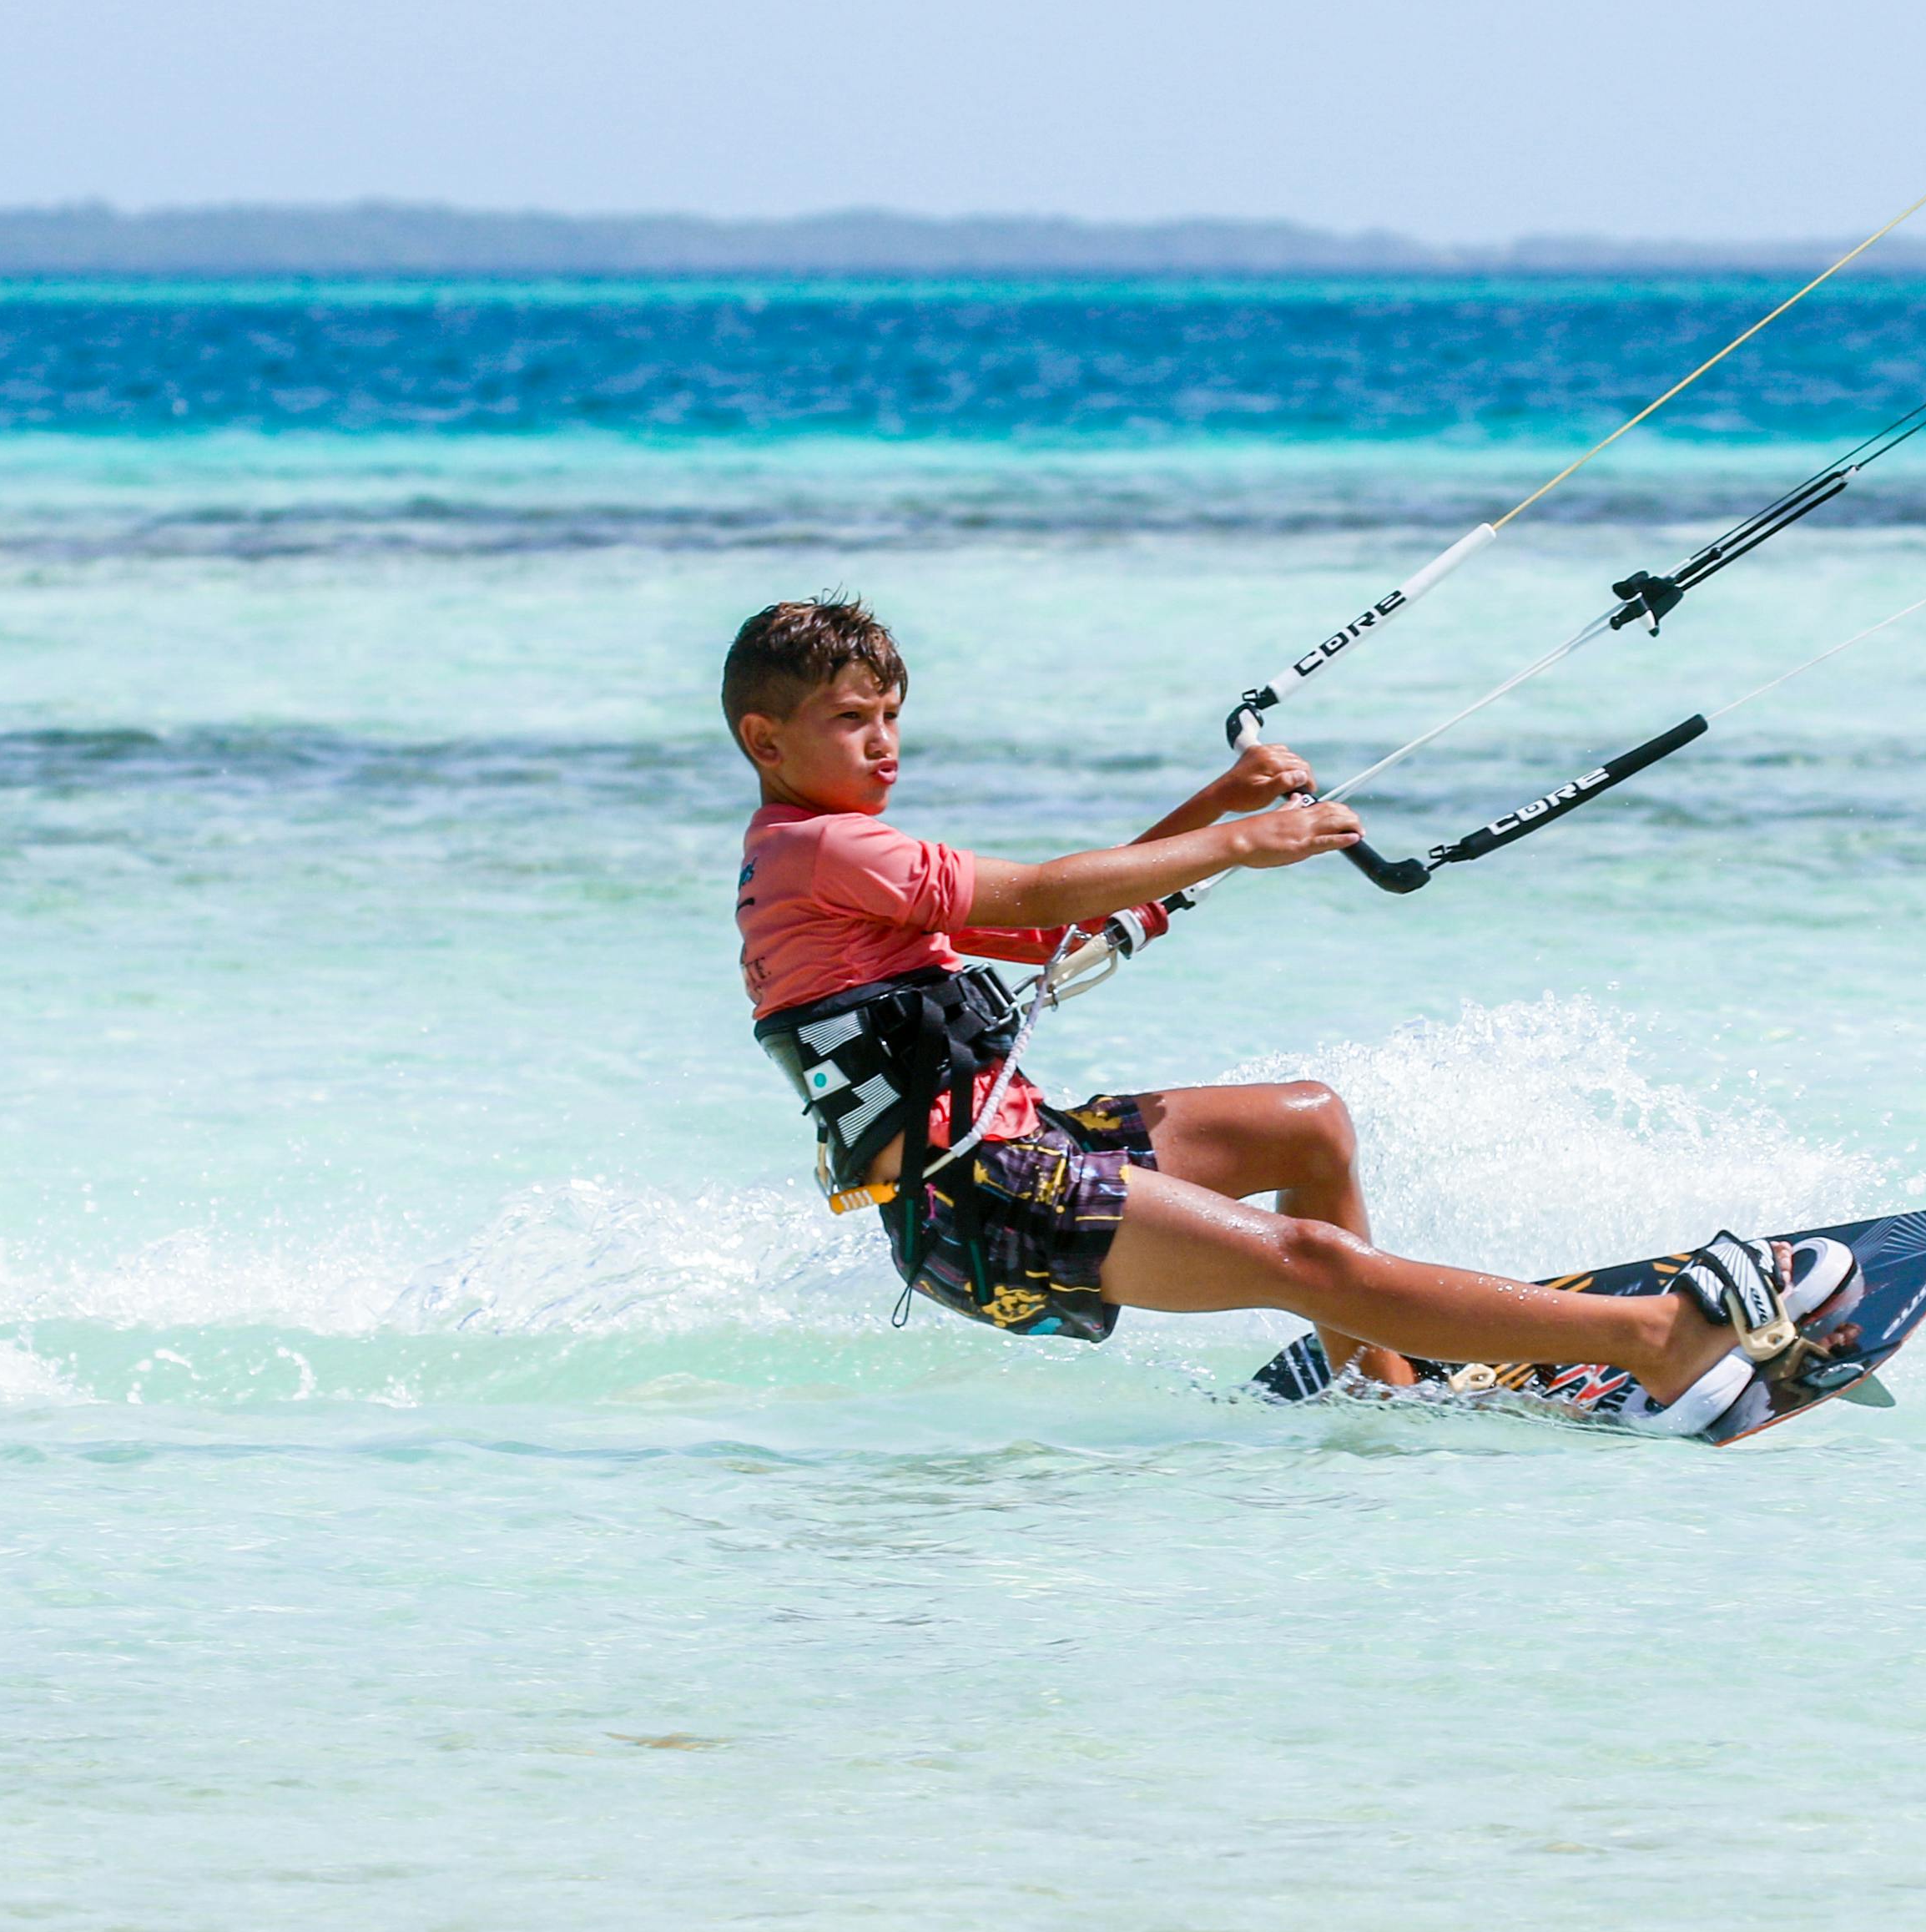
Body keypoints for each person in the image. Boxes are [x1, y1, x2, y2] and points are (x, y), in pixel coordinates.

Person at [724, 595, 1857, 1436]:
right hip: (980, 1208)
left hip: (1025, 1151)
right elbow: (1034, 894)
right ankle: (1660, 1343)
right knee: (1305, 1255)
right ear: (765, 741)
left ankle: (1377, 1394)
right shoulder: (818, 846)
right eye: (848, 719)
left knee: (1307, 1124)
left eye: (890, 714)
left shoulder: (834, 858)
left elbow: (1047, 935)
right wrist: (1239, 841)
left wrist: (1217, 804)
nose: (883, 742)